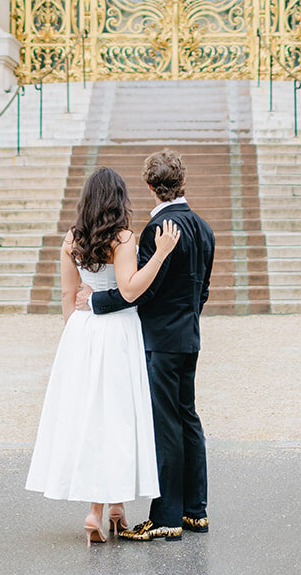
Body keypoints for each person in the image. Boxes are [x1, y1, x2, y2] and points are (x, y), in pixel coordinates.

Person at [26, 167, 181, 544]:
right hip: (118, 331)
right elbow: (128, 291)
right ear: (118, 199)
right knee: (117, 415)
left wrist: (75, 338)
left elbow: (68, 296)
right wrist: (159, 256)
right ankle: (104, 509)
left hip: (82, 331)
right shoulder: (124, 238)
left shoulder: (71, 239)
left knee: (91, 416)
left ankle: (112, 510)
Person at [77, 148, 215, 542]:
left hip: (158, 340)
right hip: (188, 336)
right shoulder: (204, 228)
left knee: (166, 426)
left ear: (151, 186)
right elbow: (201, 291)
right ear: (182, 181)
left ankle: (167, 515)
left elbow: (139, 290)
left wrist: (96, 302)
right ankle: (195, 511)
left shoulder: (159, 230)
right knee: (188, 419)